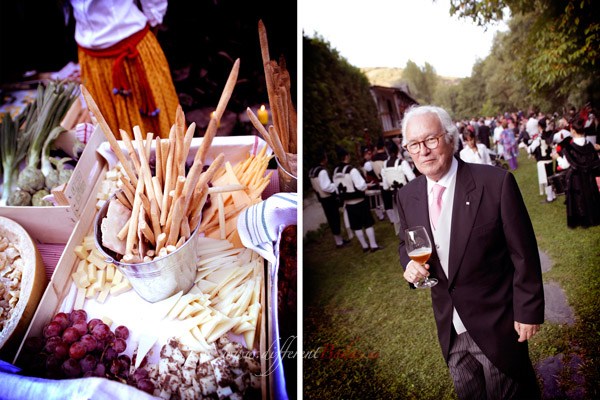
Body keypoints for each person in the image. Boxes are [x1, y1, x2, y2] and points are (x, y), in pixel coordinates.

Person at [396, 105, 544, 399]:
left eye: (431, 140)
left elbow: (523, 253)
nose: (423, 151)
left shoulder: (495, 183)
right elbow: (405, 244)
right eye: (414, 144)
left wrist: (528, 310)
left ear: (450, 138)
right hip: (450, 331)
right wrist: (409, 268)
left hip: (497, 325)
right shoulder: (407, 195)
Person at [68, 0, 180, 139]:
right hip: (91, 61)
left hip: (131, 51)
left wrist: (152, 18)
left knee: (157, 136)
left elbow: (155, 4)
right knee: (109, 132)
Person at [332, 146, 383, 253]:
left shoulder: (336, 171)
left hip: (348, 203)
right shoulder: (351, 170)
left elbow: (336, 188)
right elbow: (361, 186)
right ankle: (373, 245)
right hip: (359, 201)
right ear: (346, 156)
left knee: (357, 226)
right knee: (367, 223)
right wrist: (366, 185)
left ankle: (364, 246)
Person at [554, 117, 600, 228]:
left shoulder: (569, 148)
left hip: (576, 179)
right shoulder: (590, 145)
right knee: (590, 196)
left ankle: (581, 219)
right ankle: (593, 217)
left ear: (573, 130)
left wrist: (557, 157)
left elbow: (565, 165)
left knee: (579, 199)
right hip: (589, 177)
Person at [308, 151, 351, 249]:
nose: (327, 159)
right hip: (328, 198)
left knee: (332, 219)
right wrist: (335, 187)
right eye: (326, 157)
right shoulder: (321, 171)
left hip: (322, 198)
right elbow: (326, 186)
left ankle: (339, 240)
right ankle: (339, 242)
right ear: (323, 159)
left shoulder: (312, 171)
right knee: (334, 219)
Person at [380, 140, 415, 234]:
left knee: (402, 217)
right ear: (397, 151)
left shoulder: (384, 165)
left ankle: (406, 234)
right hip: (406, 194)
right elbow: (412, 179)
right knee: (411, 216)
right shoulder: (402, 163)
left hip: (395, 195)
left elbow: (385, 186)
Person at [527, 118, 557, 202]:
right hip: (550, 160)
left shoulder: (538, 138)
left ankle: (550, 197)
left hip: (542, 162)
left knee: (546, 180)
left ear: (539, 126)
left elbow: (530, 150)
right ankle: (553, 195)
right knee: (550, 177)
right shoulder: (549, 135)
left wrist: (529, 148)